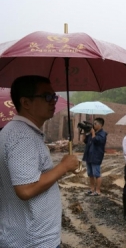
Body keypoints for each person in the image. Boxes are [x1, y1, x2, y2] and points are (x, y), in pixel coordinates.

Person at [0, 75, 79, 247]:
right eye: (47, 96)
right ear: (26, 103)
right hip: (34, 241)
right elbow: (25, 189)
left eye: (54, 96)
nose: (53, 102)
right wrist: (64, 166)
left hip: (25, 236)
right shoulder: (22, 136)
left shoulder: (18, 132)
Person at [82, 117, 108, 196]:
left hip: (96, 156)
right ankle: (92, 189)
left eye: (95, 123)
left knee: (97, 174)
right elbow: (85, 141)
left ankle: (98, 191)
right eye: (94, 123)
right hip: (89, 156)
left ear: (100, 125)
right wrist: (84, 132)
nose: (94, 125)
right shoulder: (92, 133)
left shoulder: (102, 134)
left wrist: (93, 133)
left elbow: (96, 141)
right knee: (90, 174)